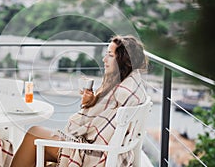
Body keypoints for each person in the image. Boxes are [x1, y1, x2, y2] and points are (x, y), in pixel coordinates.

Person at [10, 35, 148, 167]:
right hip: (112, 152)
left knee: (33, 134)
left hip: (93, 155)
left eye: (110, 55)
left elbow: (79, 129)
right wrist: (92, 102)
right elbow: (100, 124)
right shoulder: (134, 85)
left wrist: (87, 107)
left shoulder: (120, 92)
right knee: (39, 141)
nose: (104, 59)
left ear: (123, 60)